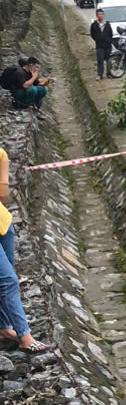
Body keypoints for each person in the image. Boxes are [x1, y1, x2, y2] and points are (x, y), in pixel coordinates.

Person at [0, 146, 47, 351]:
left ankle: (3, 327)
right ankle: (24, 336)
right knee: (9, 280)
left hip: (3, 224)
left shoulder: (1, 154)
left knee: (3, 280)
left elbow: (3, 194)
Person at [90, 8, 114, 80]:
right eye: (99, 14)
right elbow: (92, 35)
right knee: (100, 60)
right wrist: (98, 40)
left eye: (102, 14)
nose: (100, 16)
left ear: (103, 15)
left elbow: (111, 34)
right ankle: (100, 74)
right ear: (96, 15)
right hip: (99, 45)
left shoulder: (107, 24)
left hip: (107, 45)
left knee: (109, 60)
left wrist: (108, 40)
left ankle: (109, 73)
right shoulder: (94, 25)